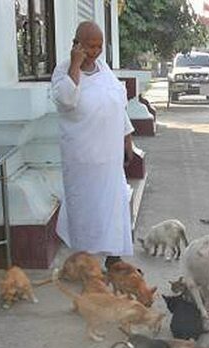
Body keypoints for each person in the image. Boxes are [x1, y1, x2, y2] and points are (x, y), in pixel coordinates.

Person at [51, 21, 135, 269]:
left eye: (99, 46)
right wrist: (75, 64)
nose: (95, 51)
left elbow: (117, 105)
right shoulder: (63, 70)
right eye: (89, 46)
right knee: (86, 208)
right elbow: (66, 100)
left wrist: (127, 139)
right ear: (76, 44)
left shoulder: (104, 68)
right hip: (83, 158)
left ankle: (114, 257)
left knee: (115, 202)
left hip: (109, 157)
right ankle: (85, 259)